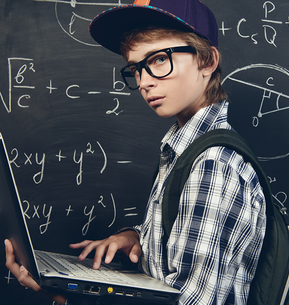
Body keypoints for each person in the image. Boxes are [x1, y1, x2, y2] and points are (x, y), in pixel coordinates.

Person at [5, 0, 266, 304]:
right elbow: (184, 238)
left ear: (207, 61)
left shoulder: (213, 164)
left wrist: (72, 298)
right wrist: (135, 236)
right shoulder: (186, 149)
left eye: (158, 60)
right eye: (136, 68)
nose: (143, 82)